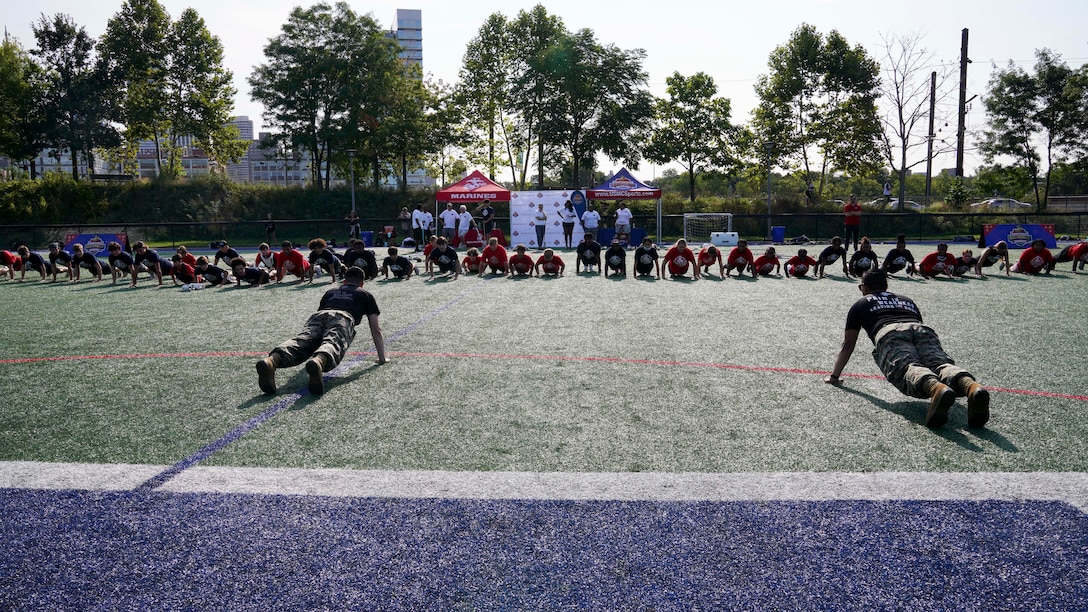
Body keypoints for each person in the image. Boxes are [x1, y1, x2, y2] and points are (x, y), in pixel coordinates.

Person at [825, 269, 990, 429]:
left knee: (906, 368)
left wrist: (834, 376)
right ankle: (972, 387)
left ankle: (936, 388)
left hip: (889, 332)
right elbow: (917, 324)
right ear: (886, 286)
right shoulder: (907, 300)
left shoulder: (861, 303)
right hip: (921, 329)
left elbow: (848, 344)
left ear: (865, 287)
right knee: (939, 363)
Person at [256, 266, 387, 396]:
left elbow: (321, 312)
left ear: (345, 281)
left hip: (319, 315)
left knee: (303, 340)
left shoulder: (331, 291)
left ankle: (271, 361)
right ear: (362, 283)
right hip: (343, 317)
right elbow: (375, 329)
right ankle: (319, 361)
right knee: (334, 341)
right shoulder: (365, 294)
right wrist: (382, 358)